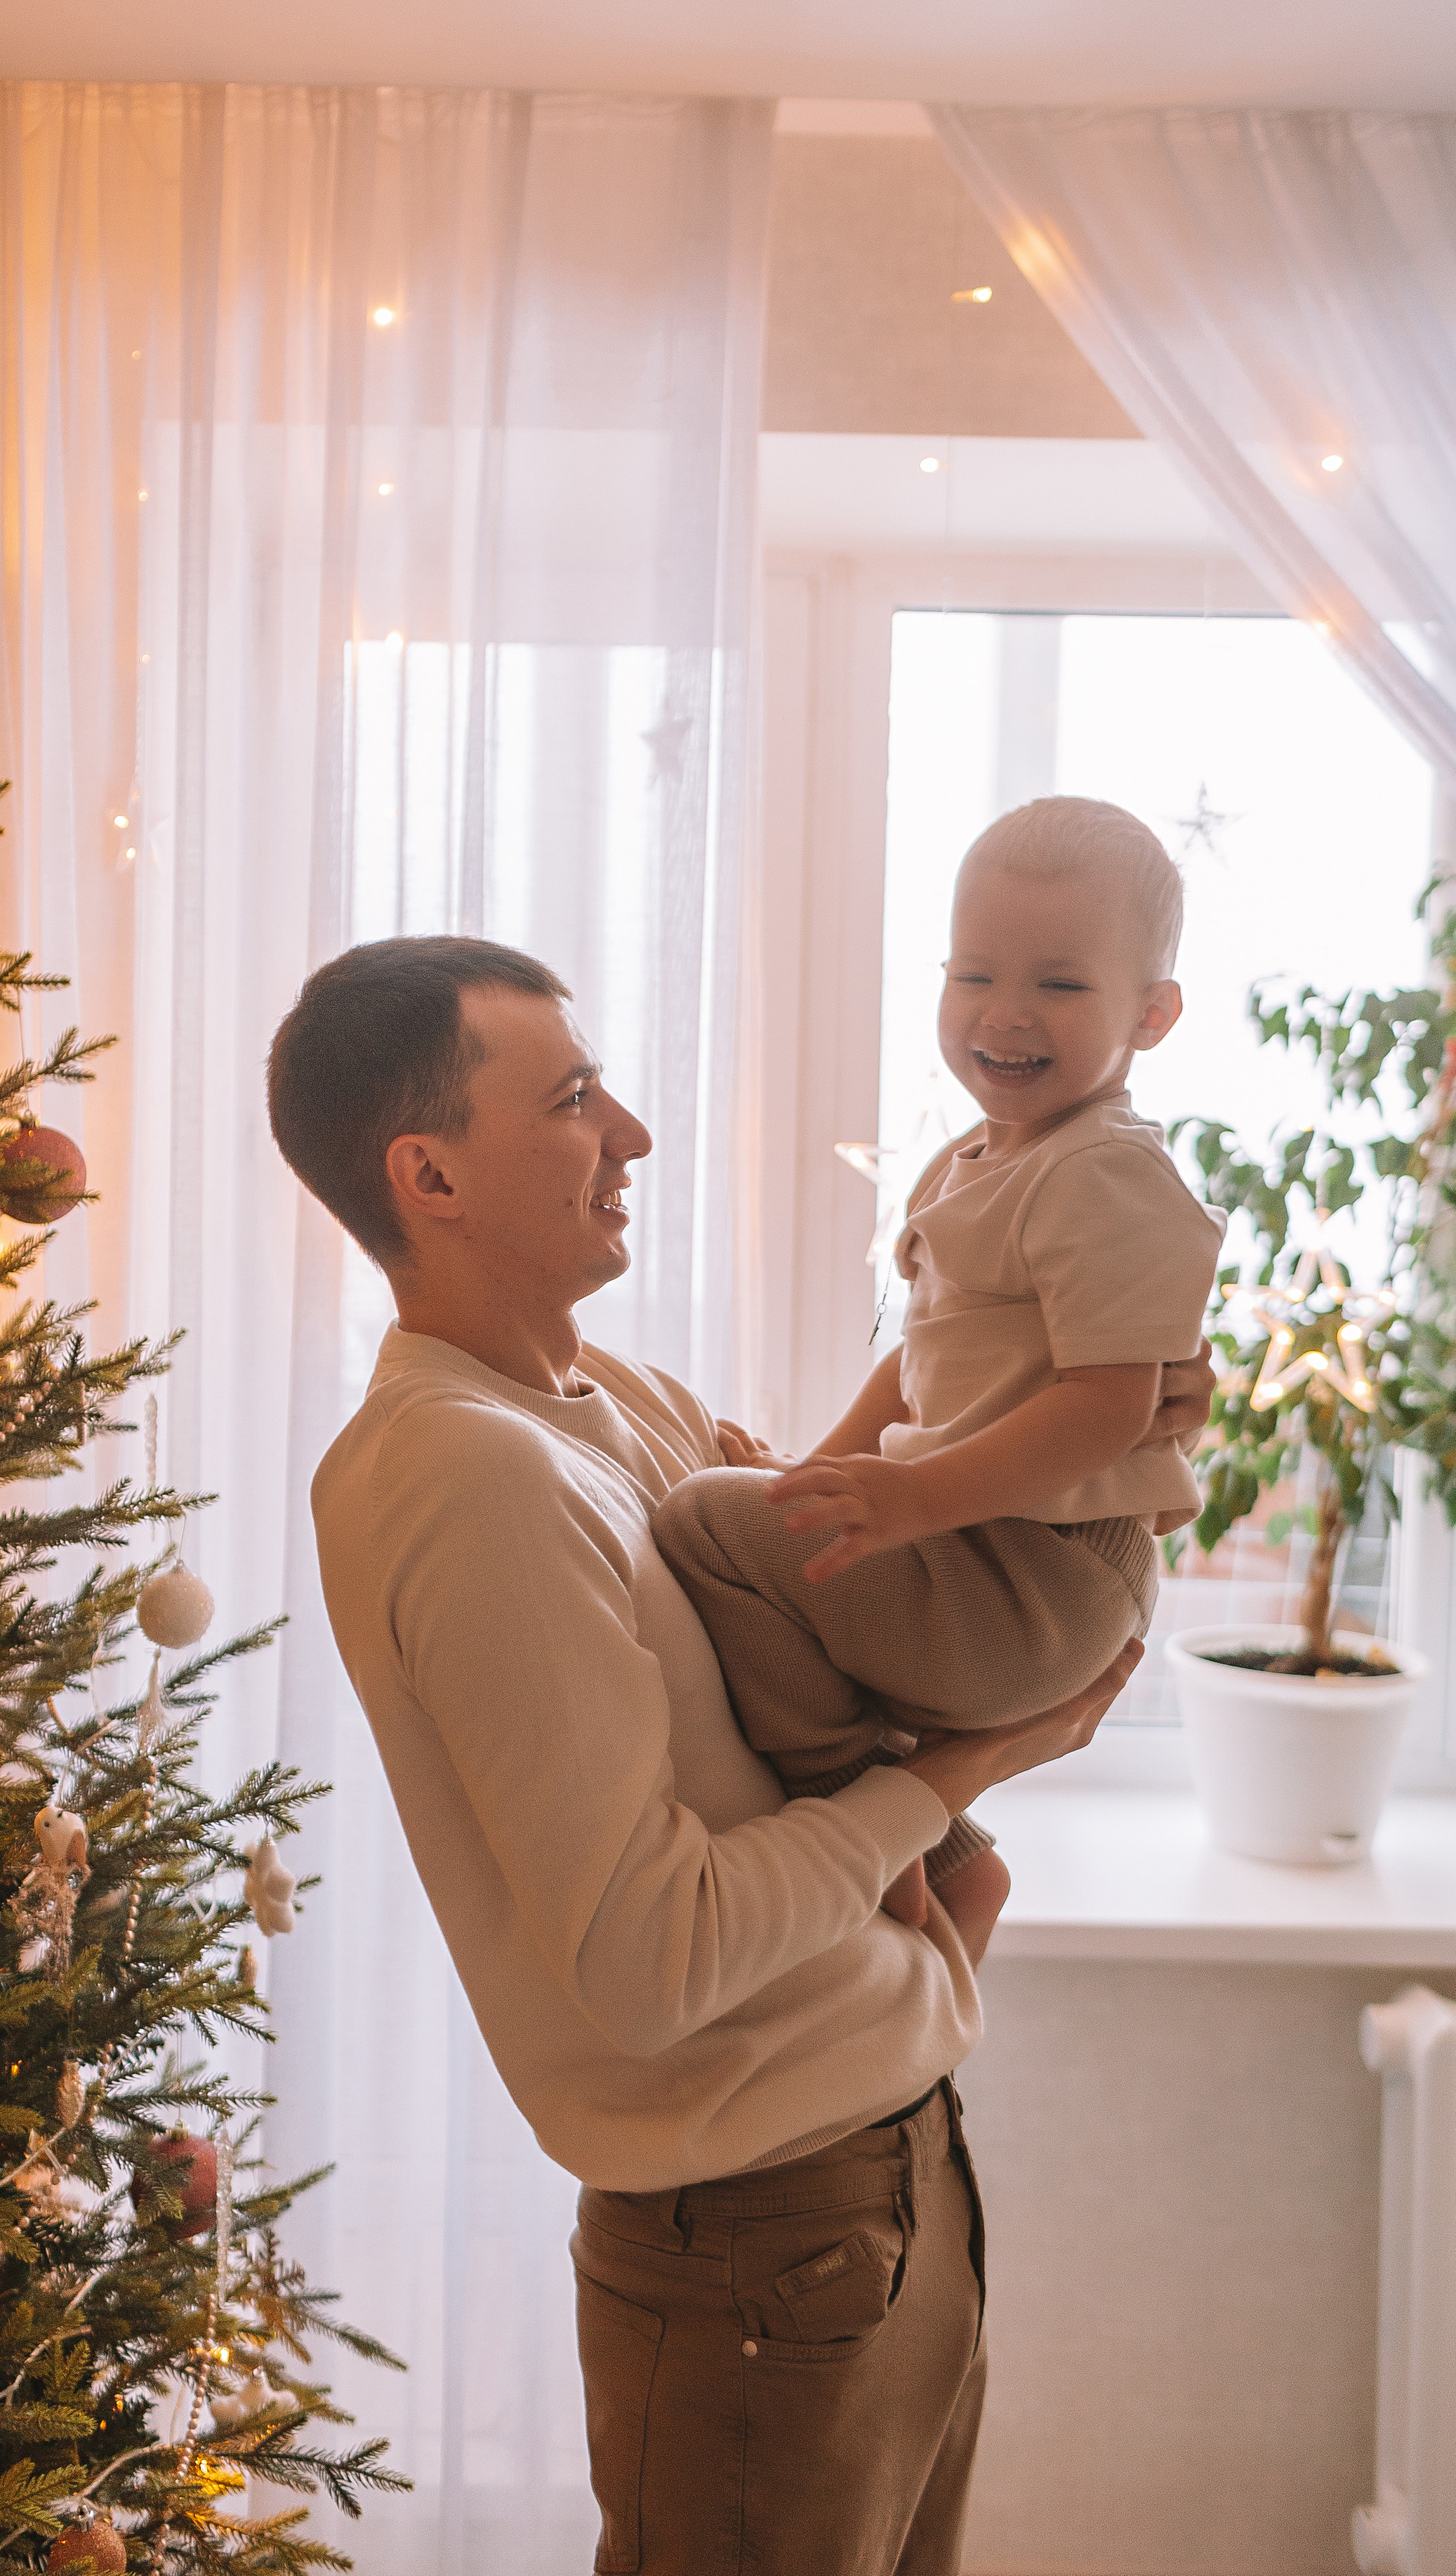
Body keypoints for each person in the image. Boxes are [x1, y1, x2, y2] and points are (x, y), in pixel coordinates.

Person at [267, 932, 1211, 2576]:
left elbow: (834, 1594)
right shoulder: (458, 1478)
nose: (628, 1132)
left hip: (885, 2177)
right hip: (759, 2249)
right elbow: (649, 1959)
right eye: (570, 1099)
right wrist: (958, 1777)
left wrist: (1078, 1394)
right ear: (427, 1173)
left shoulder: (605, 1397)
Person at [653, 797, 1226, 1932]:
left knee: (700, 1529)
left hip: (1050, 1576)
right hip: (987, 1546)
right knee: (738, 1523)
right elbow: (917, 1366)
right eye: (973, 975)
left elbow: (1111, 1410)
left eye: (1060, 985)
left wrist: (911, 1496)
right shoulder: (975, 1160)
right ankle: (950, 1852)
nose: (1004, 1014)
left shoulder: (1105, 1171)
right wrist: (817, 1475)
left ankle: (875, 1824)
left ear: (1152, 1014)